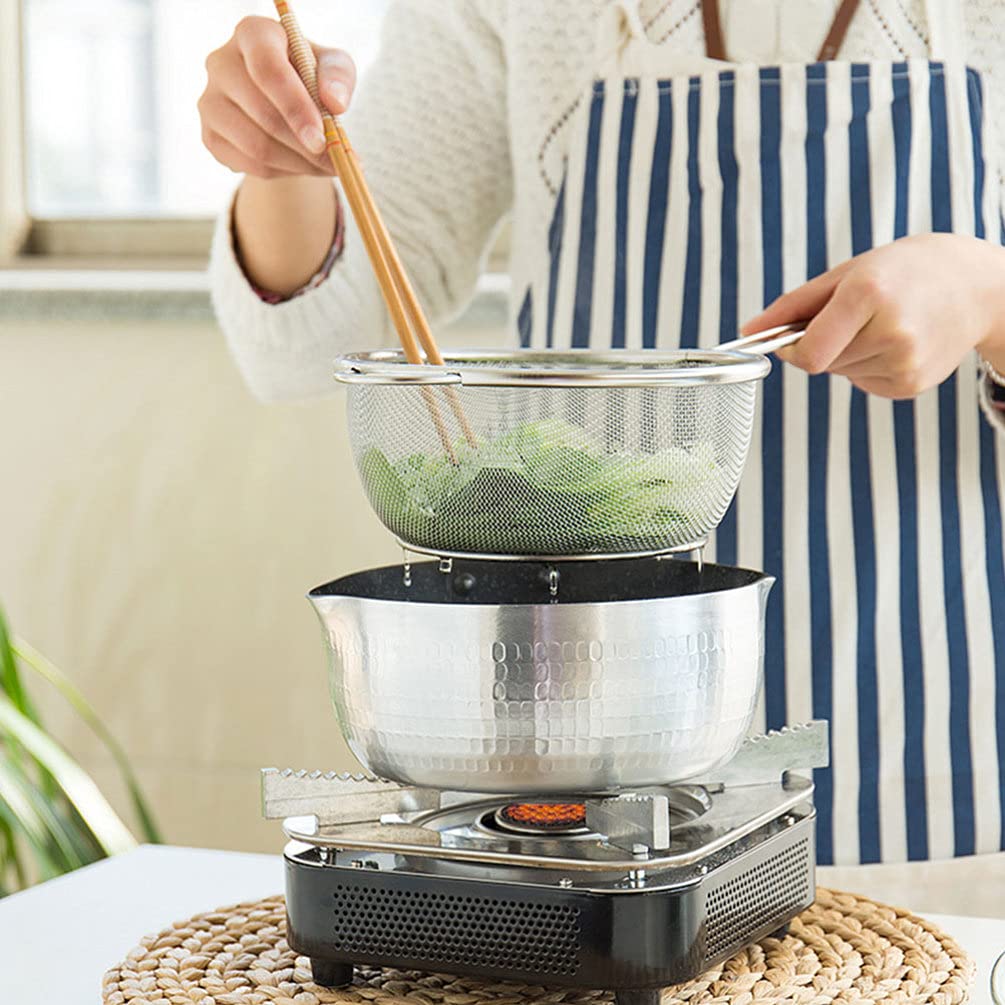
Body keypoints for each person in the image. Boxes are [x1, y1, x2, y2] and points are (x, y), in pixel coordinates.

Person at [201, 0, 1005, 889]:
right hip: (582, 759)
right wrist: (281, 157)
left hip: (939, 744)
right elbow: (302, 348)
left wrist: (989, 295)